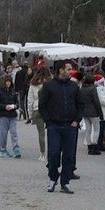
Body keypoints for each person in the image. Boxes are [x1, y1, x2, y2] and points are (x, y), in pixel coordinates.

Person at [39, 64, 84, 194]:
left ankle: (65, 182)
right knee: (53, 154)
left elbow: (80, 105)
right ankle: (53, 178)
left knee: (69, 156)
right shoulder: (49, 85)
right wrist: (48, 121)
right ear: (61, 70)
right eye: (68, 69)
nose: (71, 72)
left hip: (70, 126)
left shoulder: (74, 86)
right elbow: (42, 105)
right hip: (54, 125)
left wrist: (77, 120)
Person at [0, 75, 21, 158]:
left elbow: (17, 103)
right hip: (3, 115)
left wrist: (15, 106)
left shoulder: (13, 92)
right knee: (3, 133)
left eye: (9, 81)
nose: (8, 83)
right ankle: (2, 149)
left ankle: (16, 149)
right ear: (3, 82)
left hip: (12, 115)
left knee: (14, 132)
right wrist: (4, 107)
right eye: (6, 82)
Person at [27, 67, 51, 161]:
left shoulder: (33, 83)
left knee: (41, 133)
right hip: (49, 109)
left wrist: (30, 115)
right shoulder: (50, 83)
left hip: (37, 108)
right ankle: (53, 152)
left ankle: (42, 154)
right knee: (52, 132)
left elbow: (30, 100)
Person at [79, 74, 104, 156]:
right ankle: (94, 146)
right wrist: (100, 112)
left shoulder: (82, 89)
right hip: (93, 112)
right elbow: (96, 101)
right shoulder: (93, 88)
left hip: (85, 112)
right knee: (96, 129)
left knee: (88, 129)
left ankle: (89, 146)